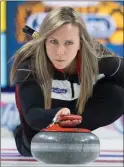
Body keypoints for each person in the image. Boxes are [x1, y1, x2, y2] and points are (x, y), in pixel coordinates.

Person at [10, 7, 124, 156]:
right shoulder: (29, 64)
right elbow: (32, 115)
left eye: (69, 43)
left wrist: (71, 121)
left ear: (80, 44)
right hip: (42, 123)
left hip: (78, 115)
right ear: (44, 41)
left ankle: (75, 130)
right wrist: (56, 116)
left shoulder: (97, 57)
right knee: (34, 148)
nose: (60, 52)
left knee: (118, 94)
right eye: (53, 41)